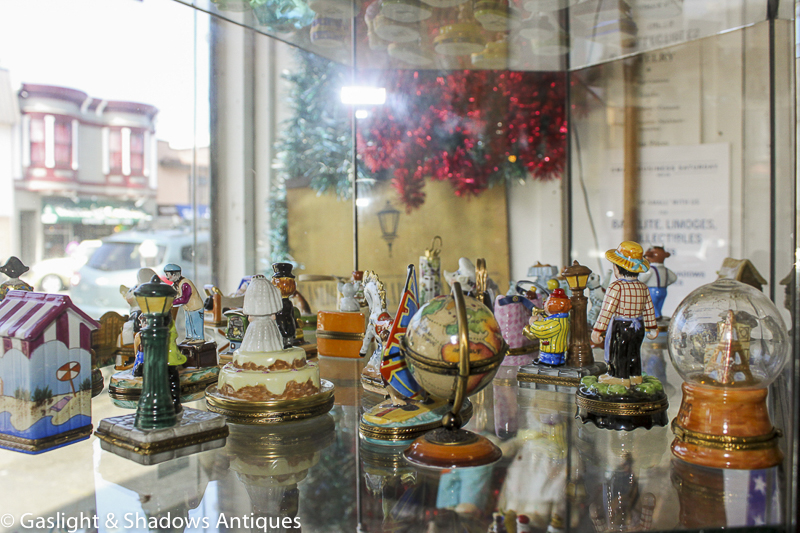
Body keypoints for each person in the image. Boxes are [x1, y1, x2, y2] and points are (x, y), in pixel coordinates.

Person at [590, 242, 658, 386]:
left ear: (617, 268)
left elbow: (606, 310)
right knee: (634, 351)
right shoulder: (643, 287)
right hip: (639, 325)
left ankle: (619, 376)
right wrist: (652, 326)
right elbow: (649, 309)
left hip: (622, 325)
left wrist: (598, 329)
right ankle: (635, 375)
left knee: (619, 351)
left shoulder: (616, 287)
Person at [523, 288, 571, 366]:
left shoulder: (555, 323)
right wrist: (543, 319)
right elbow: (547, 323)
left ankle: (548, 363)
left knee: (549, 359)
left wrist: (533, 323)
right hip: (558, 349)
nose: (544, 303)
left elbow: (542, 330)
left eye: (547, 302)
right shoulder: (561, 319)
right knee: (559, 358)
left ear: (556, 306)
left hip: (551, 351)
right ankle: (558, 362)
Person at [164, 264, 205, 344]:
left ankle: (198, 337)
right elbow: (173, 292)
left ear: (174, 274)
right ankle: (189, 337)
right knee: (188, 323)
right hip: (188, 308)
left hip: (195, 307)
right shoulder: (176, 284)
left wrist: (171, 302)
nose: (167, 277)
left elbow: (184, 299)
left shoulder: (185, 284)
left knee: (196, 323)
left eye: (167, 274)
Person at [639, 246, 677, 320]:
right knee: (658, 305)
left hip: (652, 291)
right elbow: (674, 278)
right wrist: (665, 284)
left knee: (652, 305)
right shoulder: (665, 269)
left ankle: (656, 317)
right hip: (663, 290)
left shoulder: (650, 270)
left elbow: (641, 279)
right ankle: (658, 316)